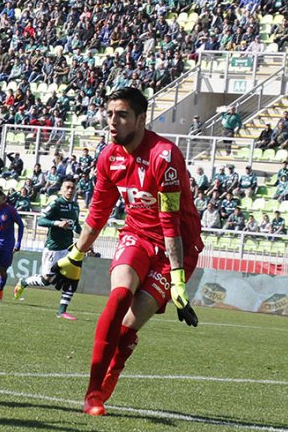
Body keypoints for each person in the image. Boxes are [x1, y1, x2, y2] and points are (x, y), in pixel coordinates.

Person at [49, 87, 202, 416]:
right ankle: (92, 394)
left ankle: (114, 369)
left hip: (176, 247)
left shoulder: (165, 156)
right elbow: (97, 214)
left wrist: (178, 280)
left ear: (141, 120)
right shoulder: (108, 156)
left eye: (122, 115)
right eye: (109, 114)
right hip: (136, 235)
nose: (113, 122)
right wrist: (75, 255)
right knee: (119, 296)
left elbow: (171, 224)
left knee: (128, 327)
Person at [13, 177, 81, 320]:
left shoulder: (75, 206)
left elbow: (77, 226)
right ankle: (23, 282)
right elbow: (42, 221)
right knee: (47, 280)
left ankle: (62, 311)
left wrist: (87, 236)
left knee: (71, 279)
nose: (70, 190)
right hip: (53, 247)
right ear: (61, 189)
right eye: (67, 187)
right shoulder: (56, 203)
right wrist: (57, 223)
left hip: (69, 248)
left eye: (72, 188)